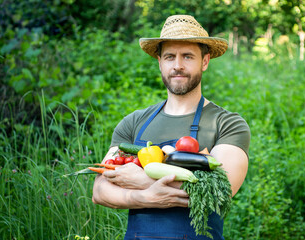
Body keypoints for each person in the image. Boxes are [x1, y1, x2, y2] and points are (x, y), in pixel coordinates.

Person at [92, 15, 250, 239]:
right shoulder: (133, 122)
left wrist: (141, 180)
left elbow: (220, 191)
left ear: (204, 61)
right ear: (159, 62)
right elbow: (99, 191)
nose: (177, 65)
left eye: (187, 56)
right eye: (169, 57)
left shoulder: (227, 124)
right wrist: (147, 197)